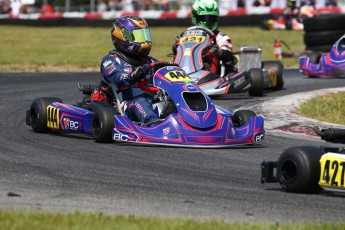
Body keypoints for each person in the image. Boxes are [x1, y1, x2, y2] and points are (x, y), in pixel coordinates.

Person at [98, 15, 160, 125]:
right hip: (126, 103)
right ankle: (155, 126)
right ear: (122, 37)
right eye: (139, 36)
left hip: (153, 99)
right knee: (140, 103)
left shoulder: (151, 61)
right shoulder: (111, 60)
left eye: (144, 35)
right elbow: (118, 77)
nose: (144, 41)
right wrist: (133, 76)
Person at [172, 0, 236, 77]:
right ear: (196, 16)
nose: (208, 22)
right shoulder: (184, 36)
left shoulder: (221, 37)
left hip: (212, 74)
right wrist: (176, 47)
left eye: (212, 18)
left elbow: (229, 57)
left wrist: (219, 52)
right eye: (205, 18)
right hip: (185, 70)